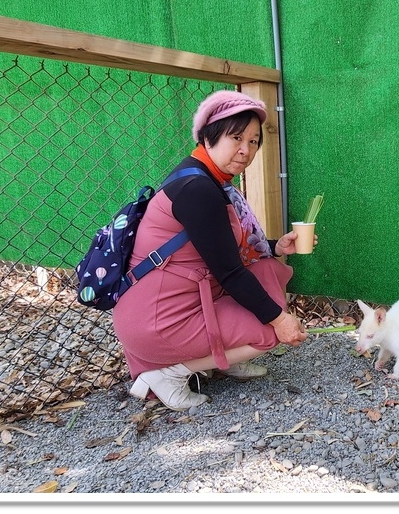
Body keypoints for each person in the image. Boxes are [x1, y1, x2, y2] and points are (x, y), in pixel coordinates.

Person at [112, 89, 312, 411]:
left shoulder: (207, 177)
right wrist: (280, 321)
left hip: (179, 300)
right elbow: (230, 272)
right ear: (208, 136)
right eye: (236, 138)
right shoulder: (198, 189)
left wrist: (275, 246)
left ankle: (222, 359)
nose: (246, 150)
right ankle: (166, 373)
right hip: (158, 320)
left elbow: (224, 250)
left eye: (253, 141)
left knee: (268, 269)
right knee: (267, 330)